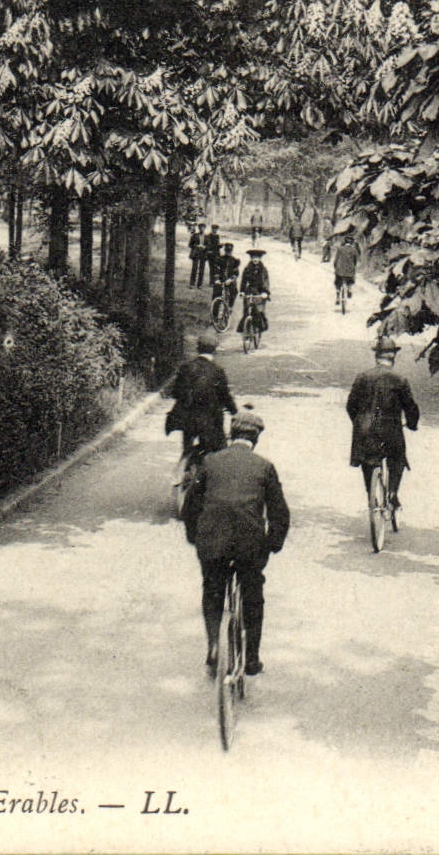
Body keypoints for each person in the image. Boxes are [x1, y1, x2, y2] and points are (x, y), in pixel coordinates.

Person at [180, 406, 289, 677]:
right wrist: (272, 544)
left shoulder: (210, 462)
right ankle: (251, 659)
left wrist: (195, 537)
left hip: (212, 541)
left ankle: (213, 646)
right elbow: (280, 513)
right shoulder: (264, 467)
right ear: (256, 439)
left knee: (212, 589)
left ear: (231, 434)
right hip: (249, 545)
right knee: (253, 594)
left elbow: (190, 506)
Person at [346, 336, 420, 512]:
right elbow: (410, 407)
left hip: (365, 429)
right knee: (397, 458)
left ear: (376, 356)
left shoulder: (362, 377)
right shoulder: (399, 379)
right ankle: (392, 493)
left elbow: (350, 406)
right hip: (390, 430)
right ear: (393, 357)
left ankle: (371, 496)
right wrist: (412, 424)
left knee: (367, 460)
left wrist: (359, 422)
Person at [166, 332, 238, 476]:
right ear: (214, 350)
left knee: (187, 446)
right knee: (218, 450)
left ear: (197, 348)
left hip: (187, 420)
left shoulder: (186, 367)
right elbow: (225, 396)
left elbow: (175, 392)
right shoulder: (217, 370)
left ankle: (183, 469)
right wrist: (234, 411)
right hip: (210, 422)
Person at [238, 248, 270, 333]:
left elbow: (266, 281)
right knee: (247, 309)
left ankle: (259, 328)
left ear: (260, 258)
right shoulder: (247, 269)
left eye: (257, 257)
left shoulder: (263, 269)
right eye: (253, 257)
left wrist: (265, 292)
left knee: (259, 311)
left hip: (260, 291)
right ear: (251, 258)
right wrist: (242, 291)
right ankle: (246, 329)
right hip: (250, 290)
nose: (255, 259)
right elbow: (244, 280)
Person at [331, 232, 361, 309]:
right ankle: (349, 288)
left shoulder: (340, 249)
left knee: (337, 282)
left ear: (344, 241)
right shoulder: (354, 250)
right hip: (349, 271)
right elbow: (356, 261)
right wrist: (353, 267)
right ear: (352, 242)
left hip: (340, 270)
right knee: (351, 279)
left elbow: (336, 260)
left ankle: (338, 296)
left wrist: (335, 267)